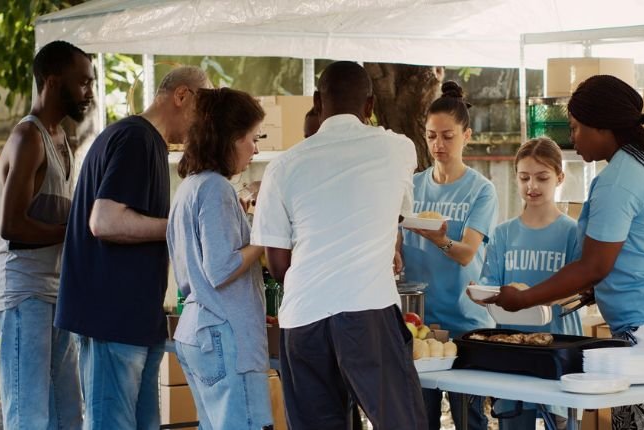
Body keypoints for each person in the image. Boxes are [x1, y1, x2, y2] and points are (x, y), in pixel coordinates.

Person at [488, 74, 644, 430]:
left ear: (602, 127)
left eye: (575, 128)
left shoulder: (619, 179)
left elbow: (593, 266)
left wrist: (524, 299)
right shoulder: (643, 165)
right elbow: (633, 254)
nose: (571, 138)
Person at [251, 61, 427, 429]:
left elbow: (278, 264)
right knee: (400, 422)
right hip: (368, 309)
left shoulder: (283, 166)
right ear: (370, 105)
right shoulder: (398, 149)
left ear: (317, 102)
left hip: (303, 316)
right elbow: (393, 215)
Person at [55, 66, 207, 429]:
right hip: (113, 319)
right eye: (204, 111)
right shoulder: (135, 138)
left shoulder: (146, 141)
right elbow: (104, 221)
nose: (204, 125)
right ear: (181, 96)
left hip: (136, 319)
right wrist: (181, 227)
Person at [0, 40, 93, 430]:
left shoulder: (62, 139)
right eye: (82, 83)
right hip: (23, 290)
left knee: (67, 413)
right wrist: (73, 234)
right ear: (52, 82)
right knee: (28, 413)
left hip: (55, 290)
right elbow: (11, 226)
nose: (89, 93)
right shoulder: (27, 138)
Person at [166, 87, 274, 429]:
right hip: (225, 335)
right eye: (251, 138)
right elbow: (221, 267)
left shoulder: (189, 187)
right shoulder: (215, 189)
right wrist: (264, 234)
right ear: (228, 139)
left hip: (198, 330)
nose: (255, 149)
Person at [399, 81, 497, 430]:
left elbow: (468, 253)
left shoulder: (481, 190)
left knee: (469, 420)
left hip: (464, 323)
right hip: (419, 324)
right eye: (430, 136)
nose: (438, 145)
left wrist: (439, 239)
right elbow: (396, 245)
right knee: (419, 419)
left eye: (447, 136)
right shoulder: (412, 185)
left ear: (466, 135)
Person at [477, 137, 581, 430]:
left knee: (562, 421)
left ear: (559, 178)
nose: (531, 186)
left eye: (542, 178)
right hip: (513, 351)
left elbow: (580, 288)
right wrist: (481, 294)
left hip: (560, 349)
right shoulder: (503, 233)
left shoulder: (572, 232)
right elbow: (491, 285)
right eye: (524, 178)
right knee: (513, 421)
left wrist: (541, 299)